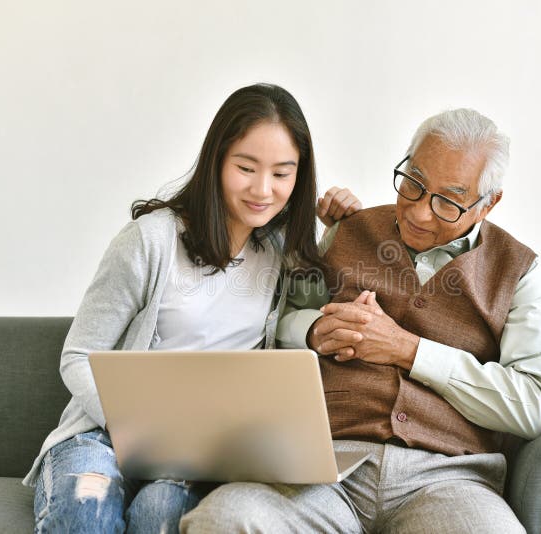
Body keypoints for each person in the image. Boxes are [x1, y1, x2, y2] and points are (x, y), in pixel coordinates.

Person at [179, 108, 541, 533]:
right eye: (413, 184)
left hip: (448, 479)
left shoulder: (518, 270)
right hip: (324, 466)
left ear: (488, 203)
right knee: (224, 519)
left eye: (448, 202)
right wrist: (313, 331)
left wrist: (408, 350)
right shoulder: (349, 229)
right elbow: (284, 317)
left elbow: (536, 405)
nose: (419, 213)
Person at [22, 83, 361, 533]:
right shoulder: (151, 240)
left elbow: (319, 313)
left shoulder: (281, 252)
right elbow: (77, 356)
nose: (263, 189)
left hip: (194, 453)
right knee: (87, 511)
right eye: (245, 167)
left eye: (282, 173)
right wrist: (143, 429)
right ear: (217, 160)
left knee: (161, 518)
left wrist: (341, 227)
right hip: (101, 435)